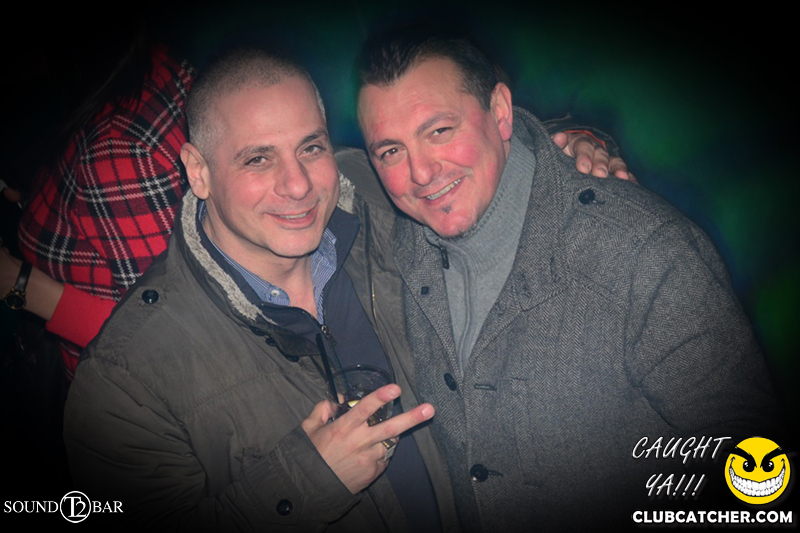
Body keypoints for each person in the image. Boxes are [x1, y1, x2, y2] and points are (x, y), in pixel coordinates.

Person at [354, 24, 781, 531]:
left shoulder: (642, 250)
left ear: (501, 111)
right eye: (391, 151)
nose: (421, 173)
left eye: (440, 131)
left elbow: (758, 474)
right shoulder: (402, 246)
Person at [63, 47, 457, 532]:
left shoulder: (385, 200)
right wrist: (306, 482)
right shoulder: (128, 377)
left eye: (311, 148)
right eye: (257, 159)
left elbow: (488, 158)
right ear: (199, 171)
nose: (298, 185)